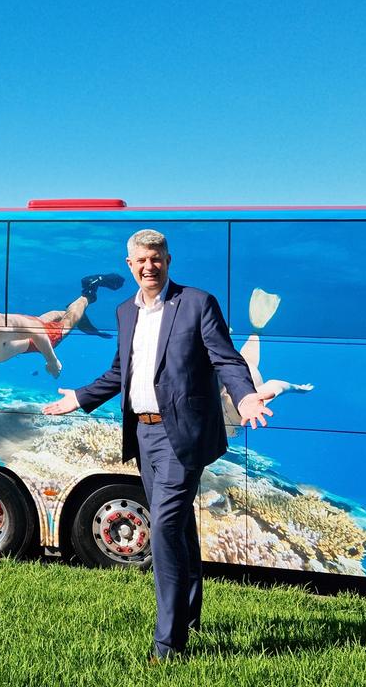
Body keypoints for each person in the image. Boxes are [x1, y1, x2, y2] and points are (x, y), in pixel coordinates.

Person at [42, 229, 274, 662]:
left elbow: (225, 357)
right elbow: (120, 372)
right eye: (141, 261)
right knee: (179, 524)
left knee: (164, 530)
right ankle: (188, 615)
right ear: (129, 265)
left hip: (181, 433)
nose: (149, 266)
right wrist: (79, 397)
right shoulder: (124, 312)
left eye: (157, 258)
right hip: (144, 433)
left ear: (168, 259)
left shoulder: (196, 303)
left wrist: (244, 395)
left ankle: (168, 645)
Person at [0, 273, 124, 377]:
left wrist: (52, 362)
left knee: (63, 328)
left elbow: (35, 330)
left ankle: (88, 291)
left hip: (32, 336)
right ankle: (62, 311)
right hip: (17, 332)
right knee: (38, 321)